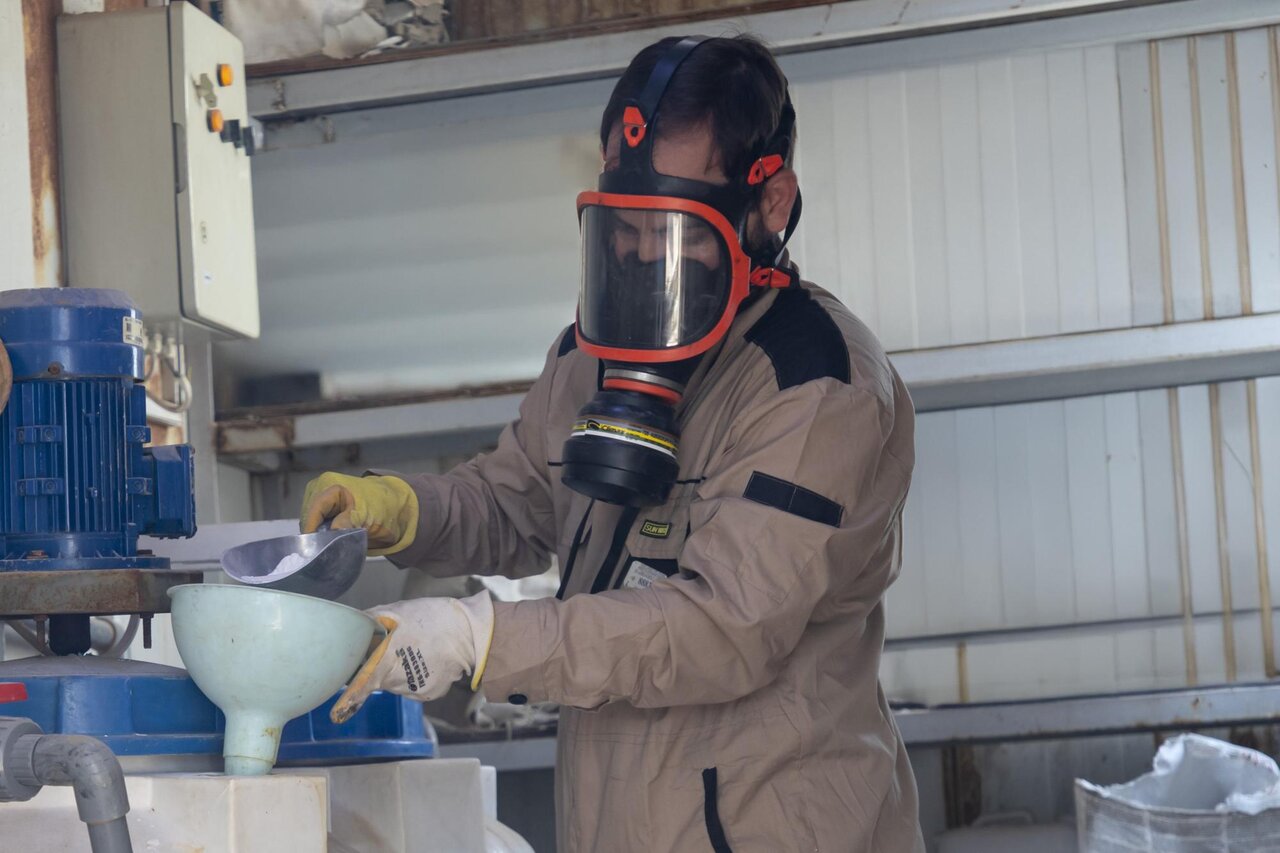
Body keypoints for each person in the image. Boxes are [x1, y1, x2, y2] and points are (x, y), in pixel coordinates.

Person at [301, 34, 923, 852]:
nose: (639, 256)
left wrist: (480, 638)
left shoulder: (816, 384)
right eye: (622, 226)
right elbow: (517, 499)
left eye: (674, 229)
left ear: (769, 206)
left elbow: (723, 630)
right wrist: (402, 508)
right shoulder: (591, 353)